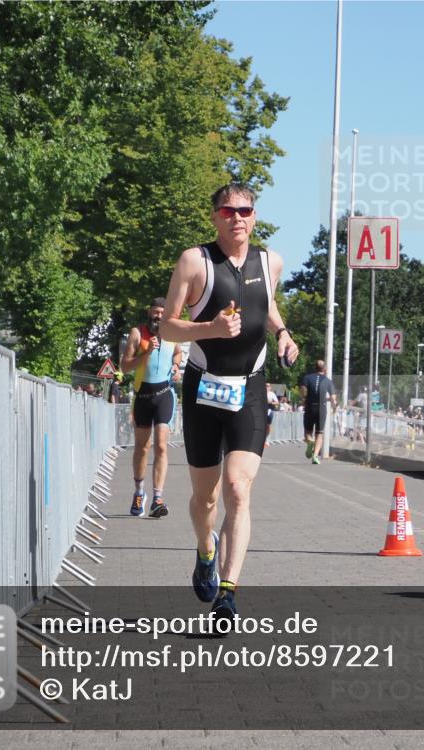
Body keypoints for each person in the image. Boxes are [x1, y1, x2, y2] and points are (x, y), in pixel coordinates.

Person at [159, 183, 299, 624]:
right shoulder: (194, 261)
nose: (237, 217)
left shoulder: (270, 261)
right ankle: (205, 551)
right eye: (228, 210)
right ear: (215, 216)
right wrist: (210, 330)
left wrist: (283, 333)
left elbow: (267, 305)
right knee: (205, 499)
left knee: (239, 488)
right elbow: (166, 328)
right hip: (203, 387)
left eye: (245, 210)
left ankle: (228, 592)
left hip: (250, 389)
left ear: (254, 216)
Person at [121, 298, 184, 519]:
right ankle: (139, 492)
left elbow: (178, 352)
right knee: (142, 447)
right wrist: (146, 354)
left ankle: (158, 498)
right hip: (143, 396)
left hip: (164, 394)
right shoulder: (137, 333)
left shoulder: (172, 333)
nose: (158, 316)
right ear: (149, 313)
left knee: (161, 446)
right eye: (155, 312)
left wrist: (176, 365)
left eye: (162, 313)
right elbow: (125, 366)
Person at [299, 359, 337, 465]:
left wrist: (303, 399)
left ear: (314, 367)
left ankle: (310, 441)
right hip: (322, 409)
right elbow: (333, 397)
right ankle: (315, 456)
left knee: (307, 432)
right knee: (319, 433)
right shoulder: (328, 381)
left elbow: (303, 391)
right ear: (324, 369)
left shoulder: (307, 378)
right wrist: (334, 406)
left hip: (310, 407)